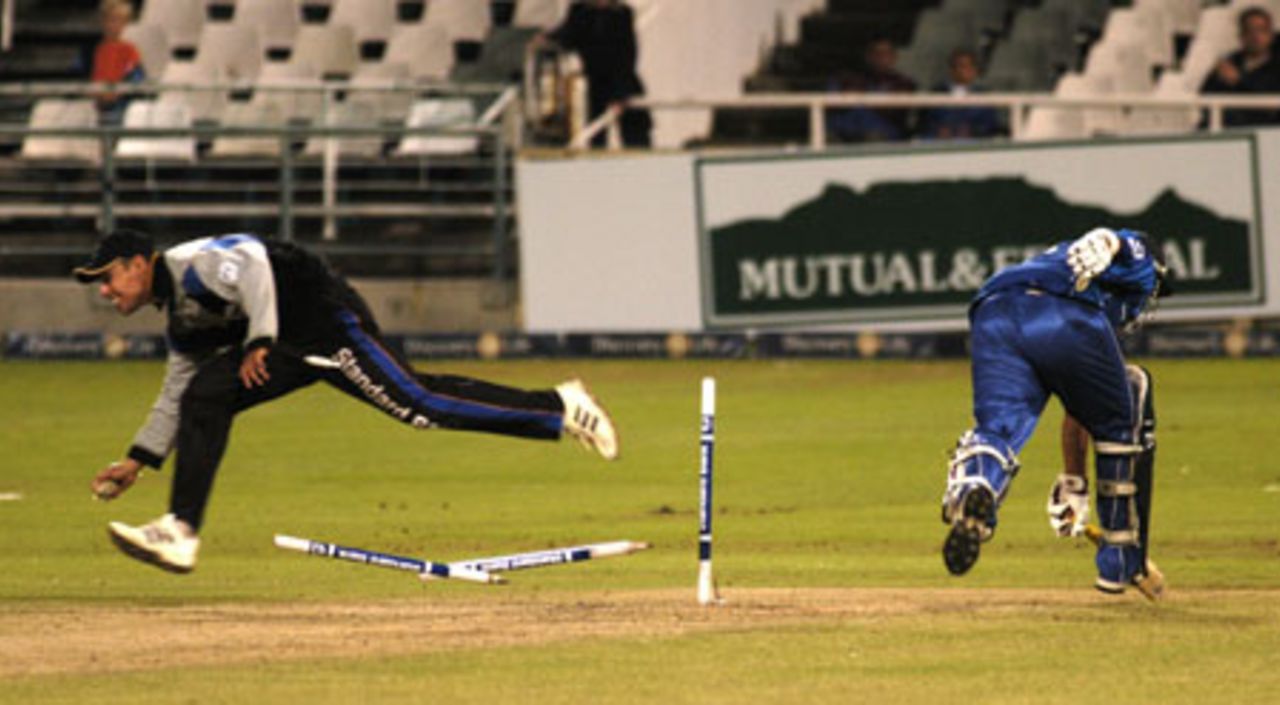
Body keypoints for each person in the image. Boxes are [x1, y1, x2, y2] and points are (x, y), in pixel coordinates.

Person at [74, 230, 620, 574]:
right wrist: (139, 459)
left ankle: (560, 405)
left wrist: (259, 339)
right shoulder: (181, 319)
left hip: (326, 321)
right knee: (204, 392)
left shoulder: (194, 263)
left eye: (107, 278)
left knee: (420, 405)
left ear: (138, 264)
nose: (103, 291)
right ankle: (181, 529)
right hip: (285, 347)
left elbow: (256, 261)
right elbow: (177, 389)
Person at [939, 227, 1170, 598]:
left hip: (995, 309)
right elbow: (1128, 243)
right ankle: (1120, 558)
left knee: (998, 429)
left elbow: (1079, 406)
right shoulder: (1143, 274)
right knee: (1121, 415)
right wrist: (1110, 241)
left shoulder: (1055, 259)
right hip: (1066, 312)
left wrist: (1074, 481)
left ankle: (975, 487)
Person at [538, 0, 652, 148]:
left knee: (634, 130)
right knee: (596, 131)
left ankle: (640, 160)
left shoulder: (622, 13)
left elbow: (628, 54)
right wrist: (546, 38)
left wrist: (620, 94)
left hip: (622, 80)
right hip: (596, 81)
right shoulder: (580, 12)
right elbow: (568, 36)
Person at [1200, 6, 1280, 127]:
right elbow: (1204, 97)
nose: (1255, 36)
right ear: (1241, 34)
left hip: (1264, 130)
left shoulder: (1276, 66)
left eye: (1261, 30)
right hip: (1227, 127)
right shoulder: (1230, 62)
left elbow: (1269, 107)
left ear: (1271, 34)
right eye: (1249, 30)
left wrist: (1238, 82)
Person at [828, 37, 917, 143]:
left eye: (885, 53)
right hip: (843, 133)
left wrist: (862, 95)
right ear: (868, 56)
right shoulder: (846, 78)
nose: (880, 58)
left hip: (882, 135)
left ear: (894, 57)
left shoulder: (904, 83)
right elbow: (833, 104)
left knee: (873, 138)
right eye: (876, 53)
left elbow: (895, 110)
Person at [920, 49, 1001, 140]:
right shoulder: (937, 93)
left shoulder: (984, 96)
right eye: (955, 66)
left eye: (964, 66)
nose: (959, 70)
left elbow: (989, 125)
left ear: (974, 70)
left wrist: (970, 131)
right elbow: (927, 122)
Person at [91, 0, 146, 125]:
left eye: (117, 21)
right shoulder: (99, 49)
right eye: (109, 20)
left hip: (122, 104)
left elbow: (135, 76)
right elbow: (97, 75)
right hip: (102, 104)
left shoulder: (129, 49)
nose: (112, 25)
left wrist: (118, 92)